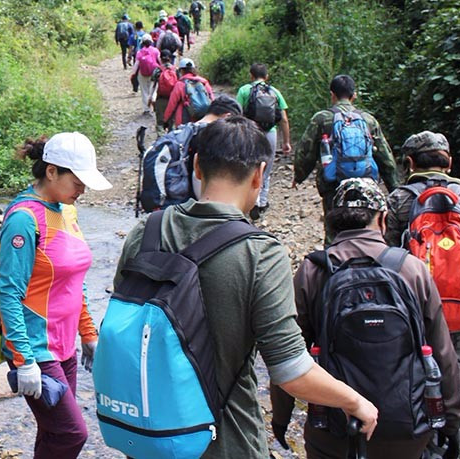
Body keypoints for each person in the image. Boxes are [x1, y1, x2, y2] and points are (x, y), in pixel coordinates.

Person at [114, 117, 379, 459]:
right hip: (226, 442)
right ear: (259, 174)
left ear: (196, 166)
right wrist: (354, 401)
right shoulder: (260, 253)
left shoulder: (145, 231)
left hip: (147, 435)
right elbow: (290, 371)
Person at [274, 178, 460, 459]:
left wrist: (280, 418)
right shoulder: (411, 269)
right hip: (408, 428)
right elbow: (443, 353)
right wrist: (452, 420)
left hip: (334, 429)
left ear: (332, 222)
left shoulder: (312, 272)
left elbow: (289, 356)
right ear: (383, 219)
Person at [385, 131, 460, 458]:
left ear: (409, 163)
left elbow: (388, 262)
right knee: (459, 391)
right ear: (449, 161)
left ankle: (422, 449)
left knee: (415, 389)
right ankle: (455, 447)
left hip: (415, 318)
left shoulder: (400, 201)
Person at [0, 132, 111, 458]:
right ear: (51, 171)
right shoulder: (24, 219)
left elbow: (76, 282)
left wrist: (87, 334)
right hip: (35, 349)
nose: (83, 189)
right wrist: (24, 361)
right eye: (77, 180)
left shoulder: (67, 211)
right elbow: (9, 292)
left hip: (64, 347)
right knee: (71, 435)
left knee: (54, 433)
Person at [292, 74, 400, 231]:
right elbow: (385, 157)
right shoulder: (368, 120)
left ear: (332, 94)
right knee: (365, 225)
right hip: (365, 183)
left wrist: (299, 175)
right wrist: (394, 188)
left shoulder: (322, 119)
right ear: (354, 95)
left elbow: (306, 151)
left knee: (334, 228)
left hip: (333, 183)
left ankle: (333, 252)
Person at [236, 63, 291, 220]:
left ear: (251, 75)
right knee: (266, 168)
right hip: (270, 133)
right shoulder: (274, 91)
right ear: (266, 77)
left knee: (250, 165)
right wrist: (286, 142)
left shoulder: (244, 90)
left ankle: (252, 200)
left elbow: (237, 114)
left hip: (251, 131)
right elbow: (284, 120)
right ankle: (262, 202)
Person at [162, 57, 214, 128]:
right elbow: (212, 98)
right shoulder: (203, 81)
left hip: (185, 119)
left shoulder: (180, 84)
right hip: (203, 118)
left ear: (181, 70)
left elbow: (172, 104)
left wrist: (165, 120)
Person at [147, 50, 178, 133]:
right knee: (172, 123)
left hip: (160, 99)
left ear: (160, 59)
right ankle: (171, 142)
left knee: (160, 123)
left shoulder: (157, 70)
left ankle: (161, 140)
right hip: (173, 100)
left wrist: (150, 99)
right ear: (170, 59)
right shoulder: (176, 70)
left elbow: (152, 86)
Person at [130, 36, 160, 114]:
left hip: (142, 73)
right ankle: (153, 99)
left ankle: (146, 109)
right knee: (153, 89)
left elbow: (136, 64)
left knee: (144, 91)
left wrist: (133, 74)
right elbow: (159, 61)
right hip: (154, 72)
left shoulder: (140, 52)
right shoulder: (155, 50)